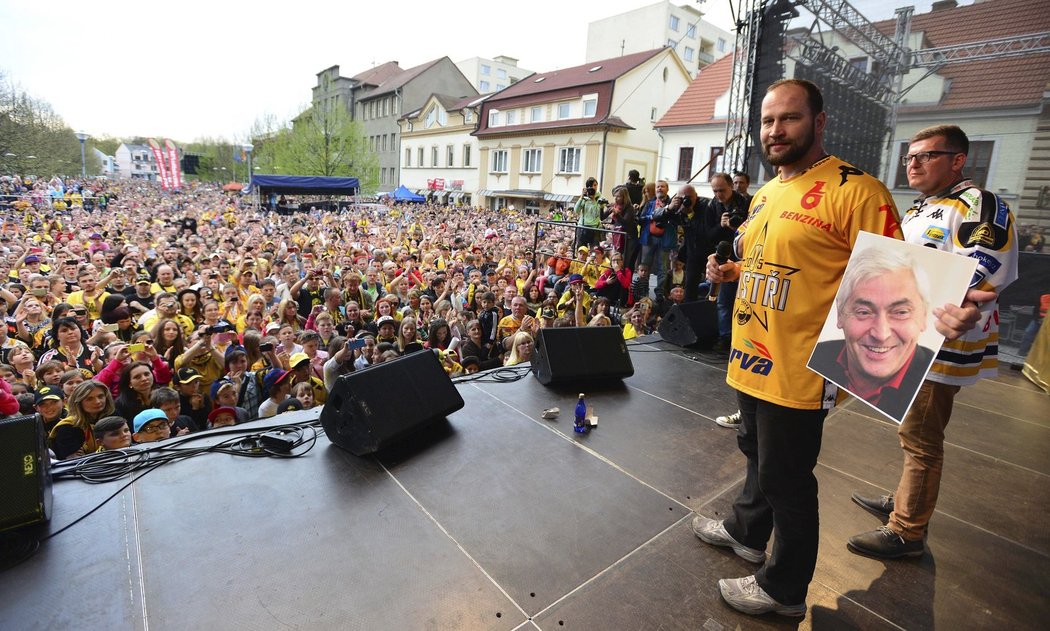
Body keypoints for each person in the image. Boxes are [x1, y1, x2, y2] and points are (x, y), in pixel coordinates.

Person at [695, 79, 904, 618]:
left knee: (787, 479)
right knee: (755, 455)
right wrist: (731, 270)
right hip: (753, 352)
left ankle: (783, 589)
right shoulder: (765, 193)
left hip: (803, 365)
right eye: (767, 121)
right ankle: (746, 530)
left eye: (788, 118)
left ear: (819, 122)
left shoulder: (858, 192)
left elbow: (894, 285)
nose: (775, 130)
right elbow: (771, 263)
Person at [848, 124, 1017, 559]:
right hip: (912, 330)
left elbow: (984, 263)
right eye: (909, 156)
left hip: (941, 336)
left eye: (926, 155)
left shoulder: (978, 203)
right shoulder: (923, 207)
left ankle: (907, 530)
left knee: (921, 434)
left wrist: (960, 300)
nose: (913, 163)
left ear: (958, 160)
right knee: (912, 427)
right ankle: (907, 496)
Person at [809, 247, 937, 421]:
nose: (881, 334)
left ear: (924, 317)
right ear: (840, 314)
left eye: (900, 312)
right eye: (863, 312)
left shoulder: (931, 385)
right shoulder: (817, 356)